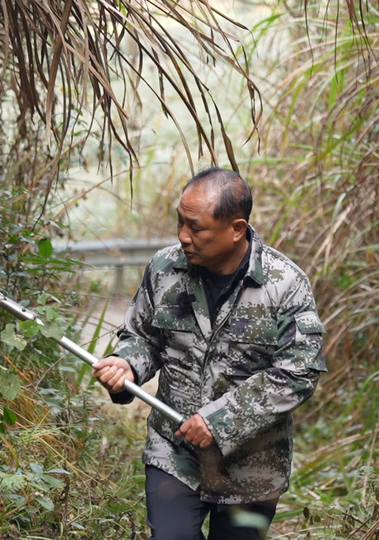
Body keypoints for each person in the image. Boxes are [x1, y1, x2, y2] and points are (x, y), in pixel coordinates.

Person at [92, 167, 327, 540]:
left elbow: (298, 373)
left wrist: (220, 419)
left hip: (251, 467)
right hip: (174, 452)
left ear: (236, 229)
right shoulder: (165, 269)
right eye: (180, 223)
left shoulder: (285, 285)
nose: (184, 237)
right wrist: (127, 365)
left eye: (196, 228)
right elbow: (142, 337)